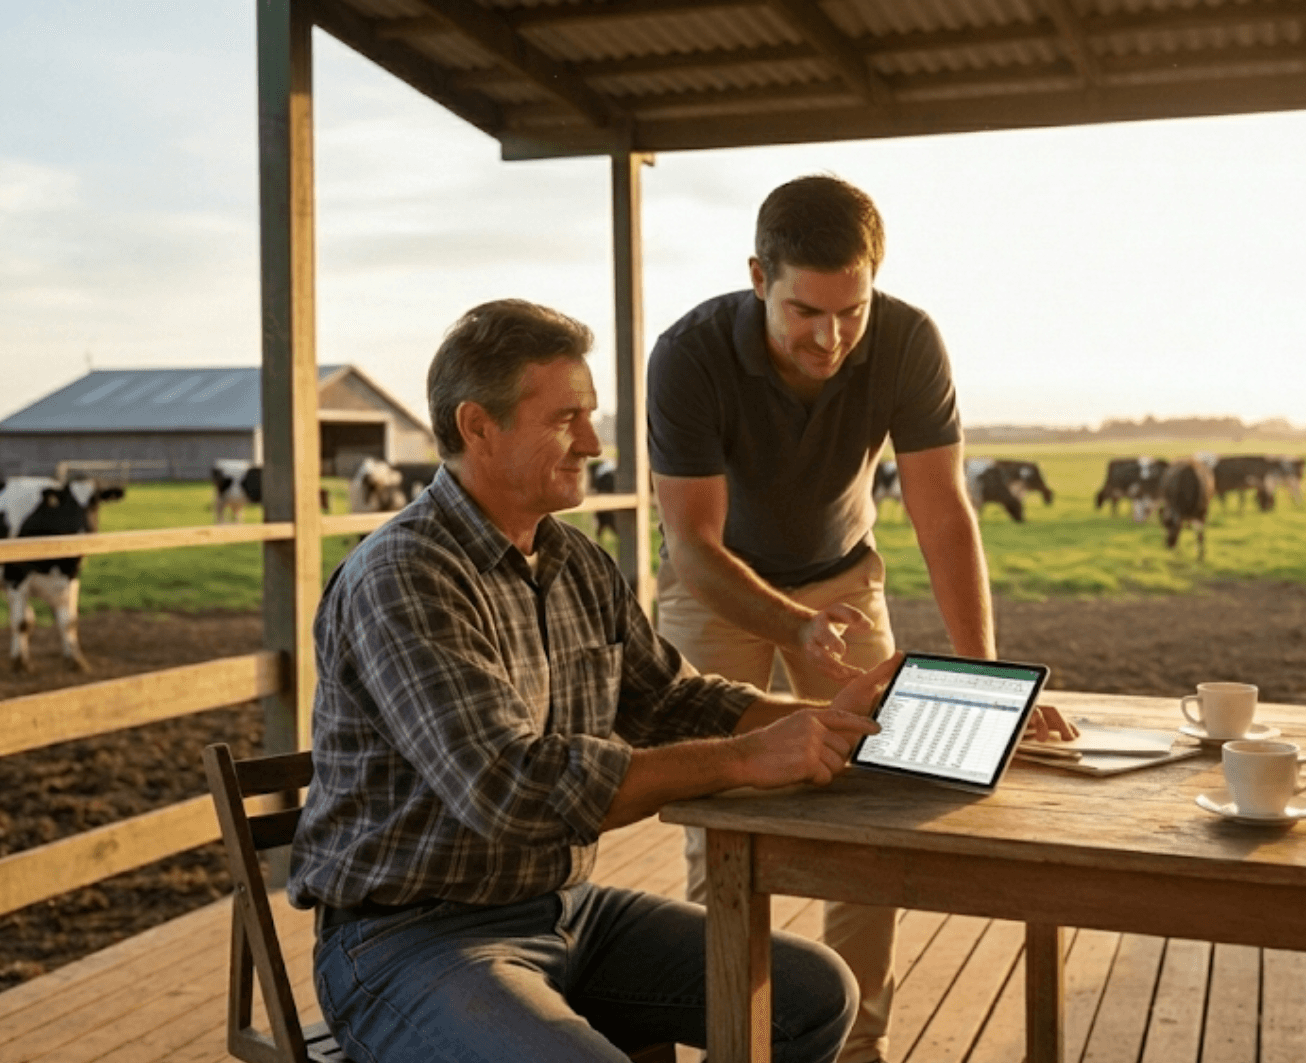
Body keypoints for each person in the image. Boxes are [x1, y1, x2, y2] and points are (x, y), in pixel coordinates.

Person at [290, 298, 902, 1063]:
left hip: (565, 908)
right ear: (478, 426)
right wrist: (749, 757)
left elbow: (671, 700)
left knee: (813, 993)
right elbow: (508, 788)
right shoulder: (404, 576)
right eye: (564, 419)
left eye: (590, 414)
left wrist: (826, 718)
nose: (592, 441)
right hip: (408, 938)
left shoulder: (575, 560)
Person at [646, 174, 1076, 1063]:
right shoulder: (687, 354)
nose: (832, 337)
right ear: (759, 277)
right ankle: (732, 1037)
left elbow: (942, 513)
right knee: (719, 809)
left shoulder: (909, 340)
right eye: (806, 311)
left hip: (842, 576)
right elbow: (692, 544)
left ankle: (853, 1044)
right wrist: (790, 624)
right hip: (717, 584)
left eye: (852, 311)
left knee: (879, 792)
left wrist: (985, 675)